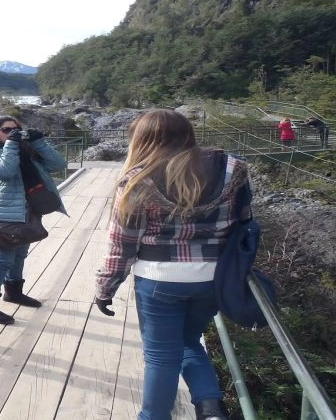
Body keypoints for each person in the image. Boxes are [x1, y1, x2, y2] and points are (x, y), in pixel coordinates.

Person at [93, 109, 252, 420]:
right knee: (189, 341)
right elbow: (244, 220)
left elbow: (122, 244)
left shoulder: (138, 179)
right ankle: (211, 410)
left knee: (161, 357)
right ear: (188, 133)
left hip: (159, 279)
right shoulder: (232, 169)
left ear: (142, 140)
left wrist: (105, 288)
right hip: (213, 278)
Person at [0, 115, 67, 324]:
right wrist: (11, 144)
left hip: (28, 210)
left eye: (15, 129)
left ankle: (13, 292)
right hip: (2, 213)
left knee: (20, 255)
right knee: (3, 260)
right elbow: (5, 171)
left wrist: (38, 142)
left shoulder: (28, 151)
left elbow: (59, 164)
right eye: (6, 130)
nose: (11, 133)